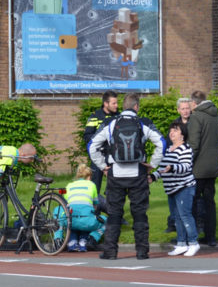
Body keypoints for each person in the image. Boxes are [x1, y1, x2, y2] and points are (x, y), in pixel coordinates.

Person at [88, 93, 165, 260]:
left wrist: (103, 166)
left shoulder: (110, 123)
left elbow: (92, 146)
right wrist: (153, 164)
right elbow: (161, 143)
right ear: (136, 107)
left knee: (114, 213)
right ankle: (142, 252)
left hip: (115, 174)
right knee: (139, 213)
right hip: (138, 173)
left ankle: (110, 252)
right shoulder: (143, 123)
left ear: (123, 106)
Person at [149, 121, 200, 257]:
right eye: (171, 130)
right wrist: (153, 177)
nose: (172, 133)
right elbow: (162, 168)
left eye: (175, 130)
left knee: (185, 215)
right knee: (176, 217)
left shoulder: (185, 149)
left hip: (184, 187)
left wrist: (172, 167)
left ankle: (193, 243)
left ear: (182, 134)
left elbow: (186, 166)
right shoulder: (168, 149)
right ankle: (181, 244)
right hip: (171, 189)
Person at [187, 90, 218, 247]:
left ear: (194, 103)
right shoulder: (217, 116)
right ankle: (211, 237)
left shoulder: (196, 117)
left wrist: (187, 162)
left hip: (199, 167)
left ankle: (192, 236)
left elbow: (194, 144)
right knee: (210, 202)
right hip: (213, 165)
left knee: (193, 202)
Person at [165, 97, 193, 234]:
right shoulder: (175, 125)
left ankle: (191, 231)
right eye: (183, 108)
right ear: (178, 110)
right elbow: (169, 143)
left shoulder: (195, 123)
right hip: (175, 167)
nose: (185, 111)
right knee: (173, 199)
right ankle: (173, 224)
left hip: (189, 164)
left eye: (187, 108)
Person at [63, 164, 107, 252]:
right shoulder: (92, 185)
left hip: (70, 221)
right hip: (87, 221)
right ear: (89, 176)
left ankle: (72, 241)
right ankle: (91, 239)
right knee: (106, 220)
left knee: (75, 221)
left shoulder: (69, 185)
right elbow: (95, 205)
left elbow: (65, 202)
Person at [83, 90, 119, 193]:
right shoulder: (95, 116)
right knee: (94, 186)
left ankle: (111, 203)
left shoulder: (118, 116)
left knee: (115, 187)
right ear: (106, 104)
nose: (116, 106)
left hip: (114, 156)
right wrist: (101, 140)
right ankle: (94, 203)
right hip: (98, 155)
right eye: (114, 103)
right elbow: (87, 136)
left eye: (116, 103)